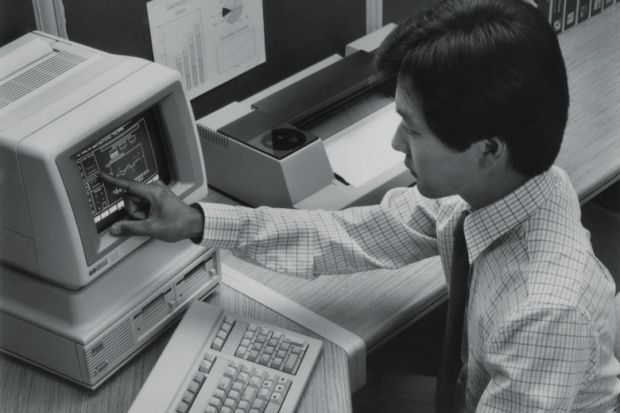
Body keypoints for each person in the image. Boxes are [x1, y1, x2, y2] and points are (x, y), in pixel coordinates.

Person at [102, 0, 620, 410]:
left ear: (487, 149)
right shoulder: (504, 192)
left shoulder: (545, 313)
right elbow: (353, 235)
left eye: (412, 129)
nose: (397, 144)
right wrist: (197, 220)